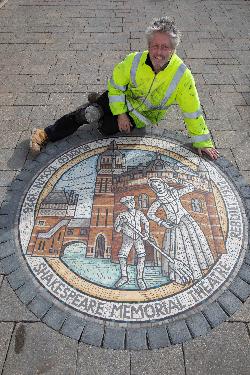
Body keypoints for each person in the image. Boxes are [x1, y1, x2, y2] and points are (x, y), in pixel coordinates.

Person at [30, 16, 219, 160]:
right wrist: (120, 113)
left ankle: (99, 101)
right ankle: (46, 133)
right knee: (89, 115)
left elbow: (192, 111)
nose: (159, 52)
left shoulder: (182, 75)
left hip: (141, 115)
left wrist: (202, 142)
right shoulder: (133, 60)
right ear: (148, 46)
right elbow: (116, 83)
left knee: (105, 129)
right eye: (155, 46)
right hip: (122, 99)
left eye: (165, 47)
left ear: (173, 49)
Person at [147, 177, 214, 284]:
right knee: (178, 248)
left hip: (185, 220)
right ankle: (182, 273)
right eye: (155, 187)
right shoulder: (159, 200)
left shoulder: (175, 193)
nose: (158, 188)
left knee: (191, 245)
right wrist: (162, 222)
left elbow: (191, 188)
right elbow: (150, 214)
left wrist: (180, 181)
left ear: (163, 184)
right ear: (154, 189)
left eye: (159, 185)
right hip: (173, 224)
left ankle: (196, 270)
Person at [114, 195, 150, 290]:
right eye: (128, 203)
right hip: (127, 238)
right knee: (122, 256)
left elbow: (146, 222)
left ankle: (140, 278)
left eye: (132, 202)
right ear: (125, 205)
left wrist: (146, 232)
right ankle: (124, 277)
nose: (131, 204)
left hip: (138, 237)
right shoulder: (121, 216)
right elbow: (117, 229)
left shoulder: (139, 213)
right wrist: (121, 223)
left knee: (141, 256)